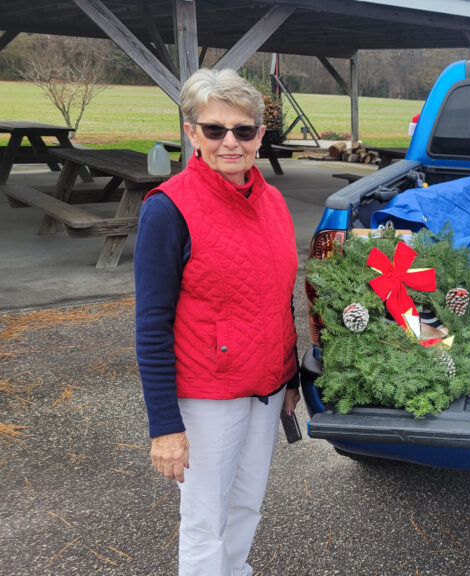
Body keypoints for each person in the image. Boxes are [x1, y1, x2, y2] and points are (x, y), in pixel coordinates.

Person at [134, 68, 300, 576]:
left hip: (266, 388)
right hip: (208, 394)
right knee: (206, 520)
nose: (230, 142)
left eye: (243, 130)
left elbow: (277, 297)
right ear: (192, 133)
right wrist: (165, 426)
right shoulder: (168, 210)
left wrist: (291, 378)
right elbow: (151, 324)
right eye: (214, 129)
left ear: (259, 135)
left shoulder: (272, 200)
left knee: (247, 504)